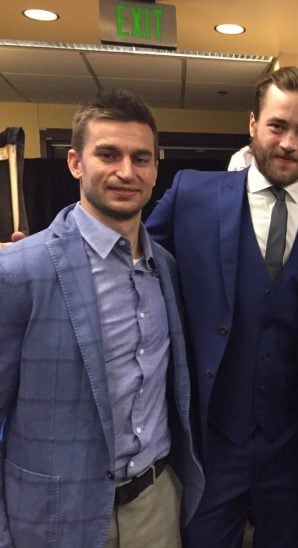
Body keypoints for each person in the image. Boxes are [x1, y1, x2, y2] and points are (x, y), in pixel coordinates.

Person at [146, 66, 298, 547]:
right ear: (253, 124)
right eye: (277, 125)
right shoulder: (193, 193)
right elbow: (133, 260)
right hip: (211, 441)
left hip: (294, 448)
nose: (288, 143)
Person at [0, 89, 204, 547]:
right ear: (75, 162)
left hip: (156, 507)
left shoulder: (165, 269)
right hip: (53, 518)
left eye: (141, 158)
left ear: (156, 169)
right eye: (108, 154)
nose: (126, 172)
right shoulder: (20, 271)